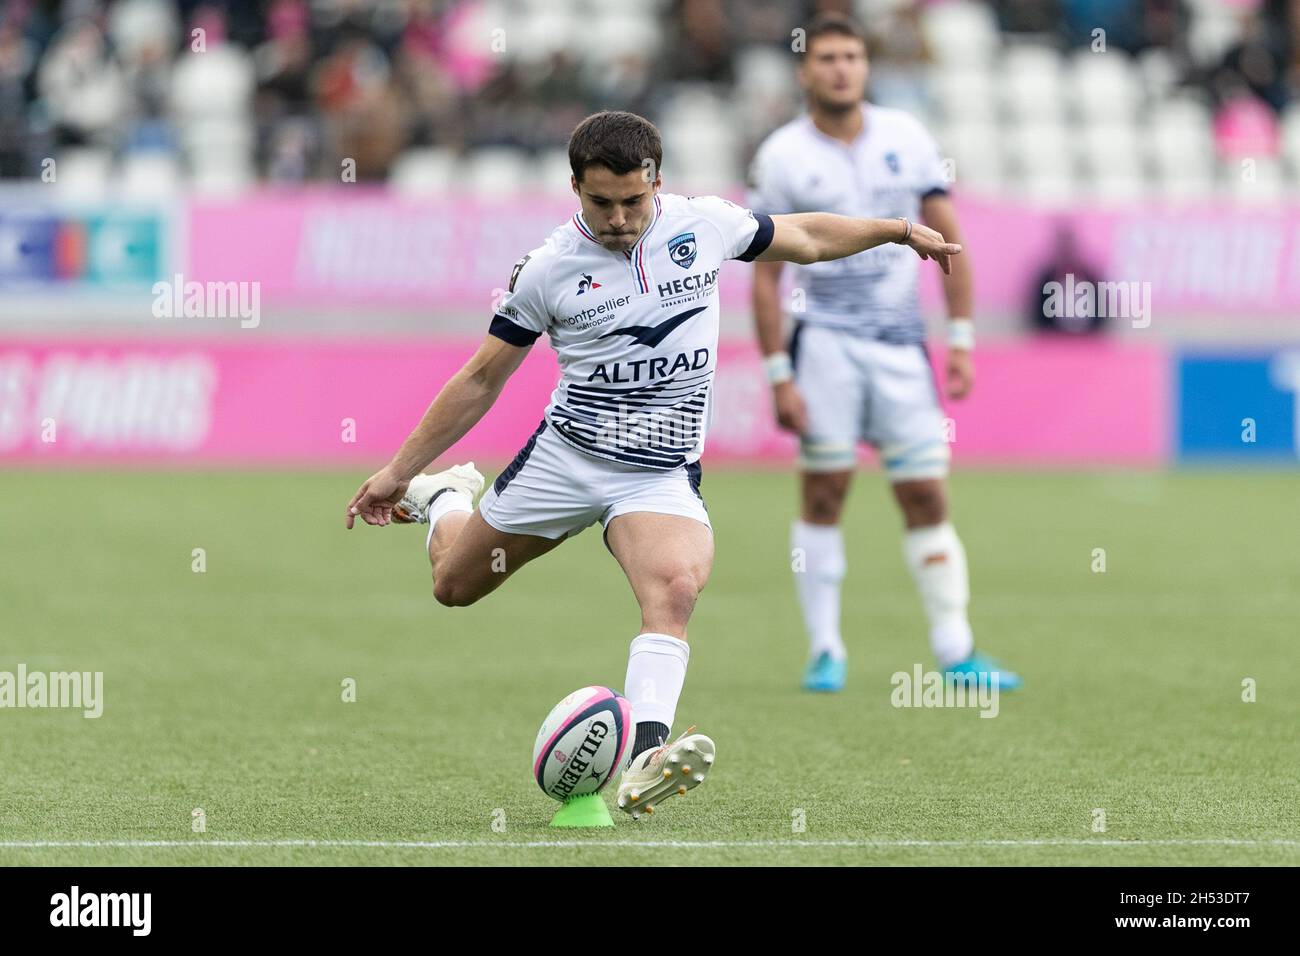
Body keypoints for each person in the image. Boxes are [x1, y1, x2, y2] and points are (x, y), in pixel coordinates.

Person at [345, 109, 961, 818]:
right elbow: (483, 378)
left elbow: (806, 237)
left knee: (674, 588)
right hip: (568, 461)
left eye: (632, 201)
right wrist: (398, 473)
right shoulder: (547, 271)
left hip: (657, 473)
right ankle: (446, 497)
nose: (617, 219)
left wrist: (897, 229)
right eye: (599, 202)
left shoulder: (704, 225)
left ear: (656, 182)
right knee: (454, 587)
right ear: (573, 187)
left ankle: (644, 757)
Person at [747, 14, 1021, 693]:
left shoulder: (907, 137)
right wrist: (779, 373)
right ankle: (825, 649)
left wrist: (959, 338)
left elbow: (950, 240)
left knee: (926, 494)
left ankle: (956, 650)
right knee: (825, 491)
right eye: (829, 58)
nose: (842, 68)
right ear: (806, 70)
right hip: (827, 346)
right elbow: (765, 275)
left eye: (853, 57)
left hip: (901, 347)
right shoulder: (781, 155)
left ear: (866, 67)